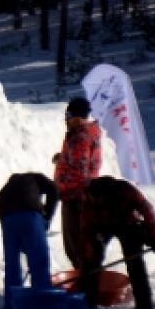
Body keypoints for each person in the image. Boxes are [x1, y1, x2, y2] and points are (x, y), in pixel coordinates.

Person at [81, 176, 155, 309]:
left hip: (127, 223)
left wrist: (154, 235)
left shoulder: (125, 190)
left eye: (102, 200)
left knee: (134, 262)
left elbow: (147, 209)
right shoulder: (89, 196)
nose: (99, 202)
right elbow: (85, 226)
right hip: (100, 225)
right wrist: (91, 250)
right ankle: (88, 303)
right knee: (91, 262)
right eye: (97, 200)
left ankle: (144, 306)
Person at [0, 172, 59, 309]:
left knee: (12, 265)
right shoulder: (36, 178)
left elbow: (5, 220)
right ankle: (43, 306)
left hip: (8, 220)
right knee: (39, 262)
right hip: (30, 215)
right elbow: (54, 189)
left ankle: (12, 307)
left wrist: (21, 243)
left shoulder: (4, 190)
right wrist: (47, 217)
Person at [55, 96, 103, 270]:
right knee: (78, 245)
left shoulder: (80, 137)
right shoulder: (85, 134)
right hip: (78, 196)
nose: (66, 120)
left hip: (75, 197)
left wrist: (62, 188)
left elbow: (80, 171)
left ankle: (86, 284)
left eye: (67, 115)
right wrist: (62, 159)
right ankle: (87, 280)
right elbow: (79, 162)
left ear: (76, 116)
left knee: (76, 245)